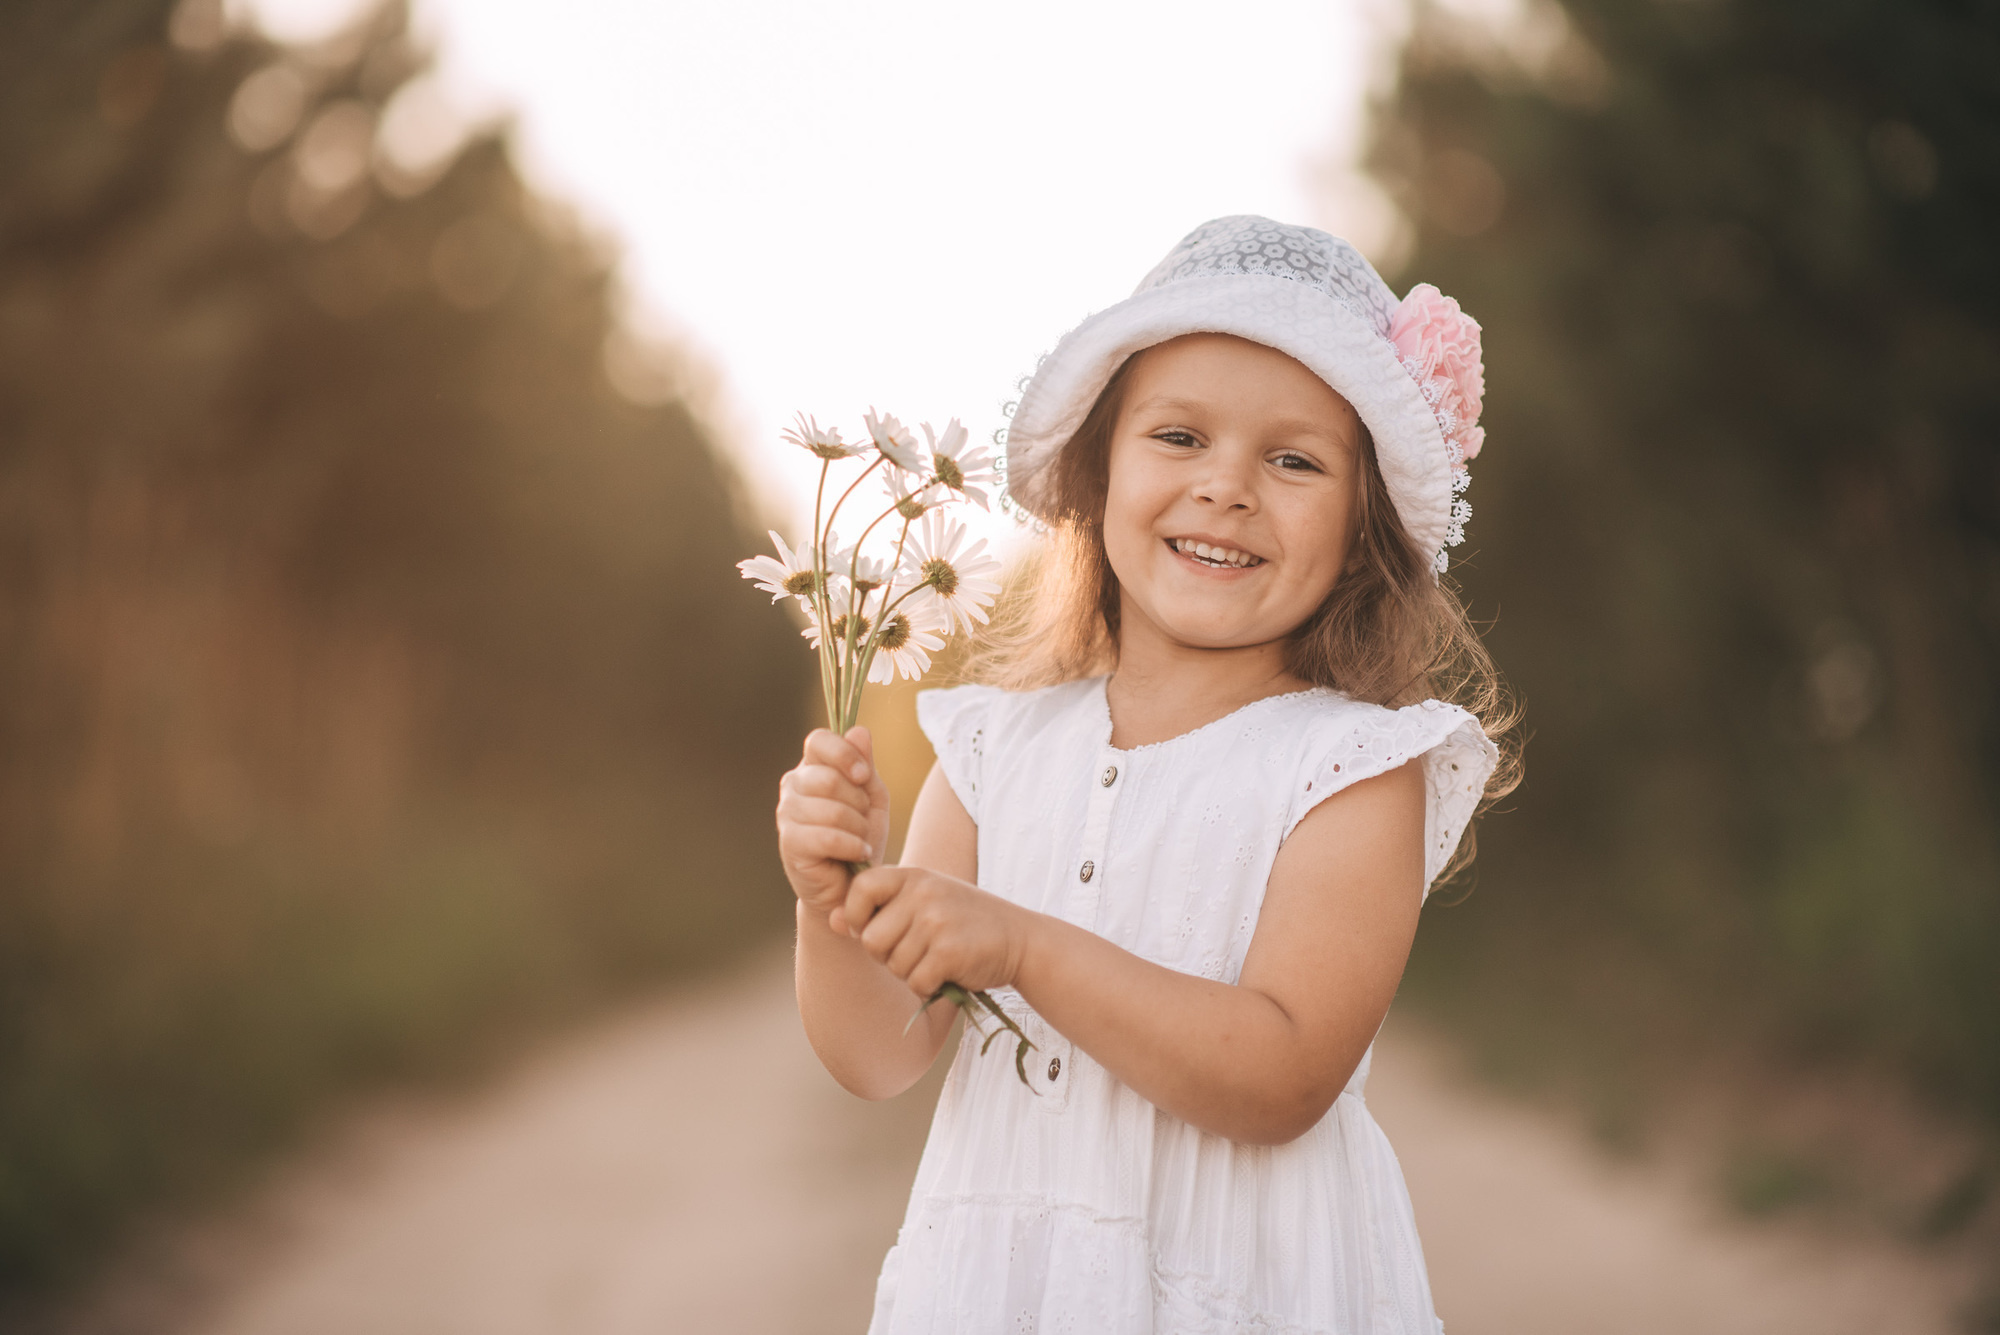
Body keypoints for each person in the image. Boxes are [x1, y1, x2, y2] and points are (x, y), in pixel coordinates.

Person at [776, 215, 1520, 1334]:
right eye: (1178, 437)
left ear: (1362, 527)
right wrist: (829, 897)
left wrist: (1023, 945)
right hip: (1003, 1290)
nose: (1226, 488)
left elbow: (1281, 1075)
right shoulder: (993, 750)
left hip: (1231, 1292)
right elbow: (878, 1054)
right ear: (1096, 470)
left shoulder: (1348, 768)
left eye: (1292, 460)